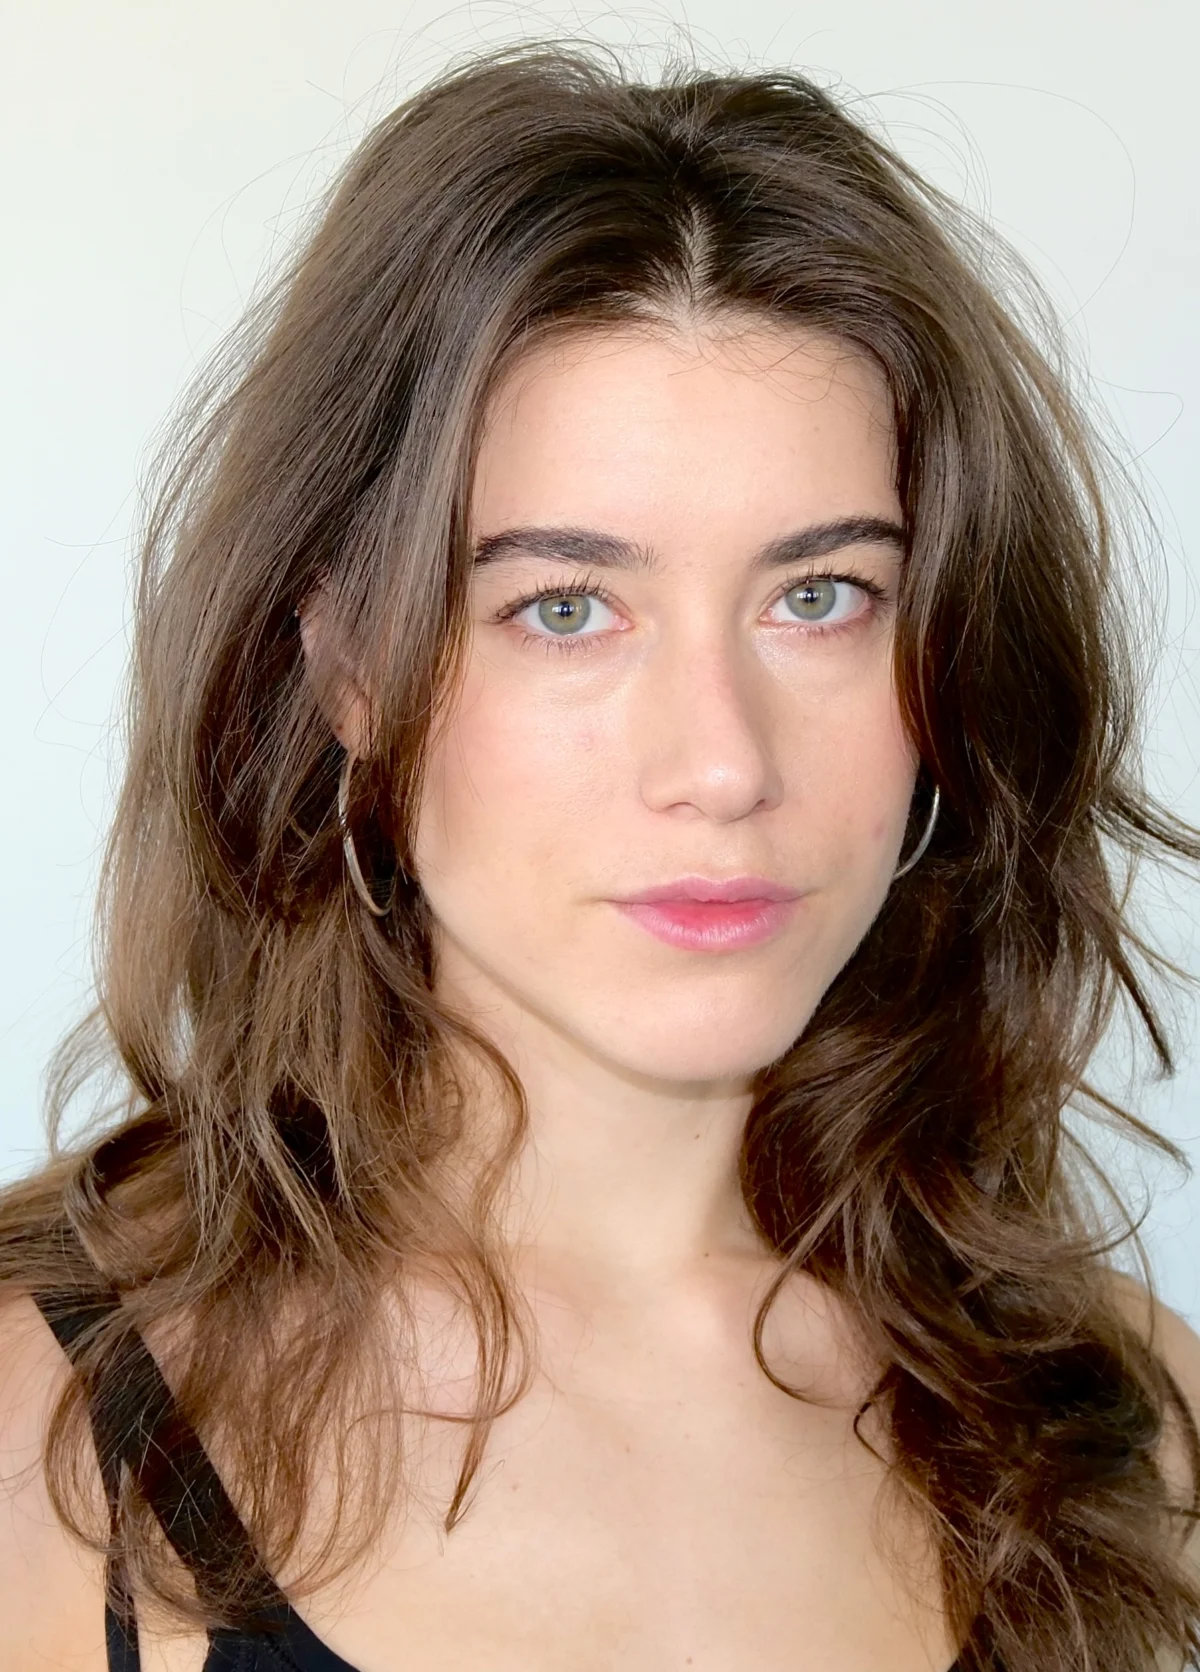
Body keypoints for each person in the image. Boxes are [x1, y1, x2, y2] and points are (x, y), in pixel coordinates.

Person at [1, 38, 1199, 1672]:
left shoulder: (1132, 1425)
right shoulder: (39, 1432)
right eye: (565, 609)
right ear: (349, 666)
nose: (721, 763)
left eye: (821, 598)